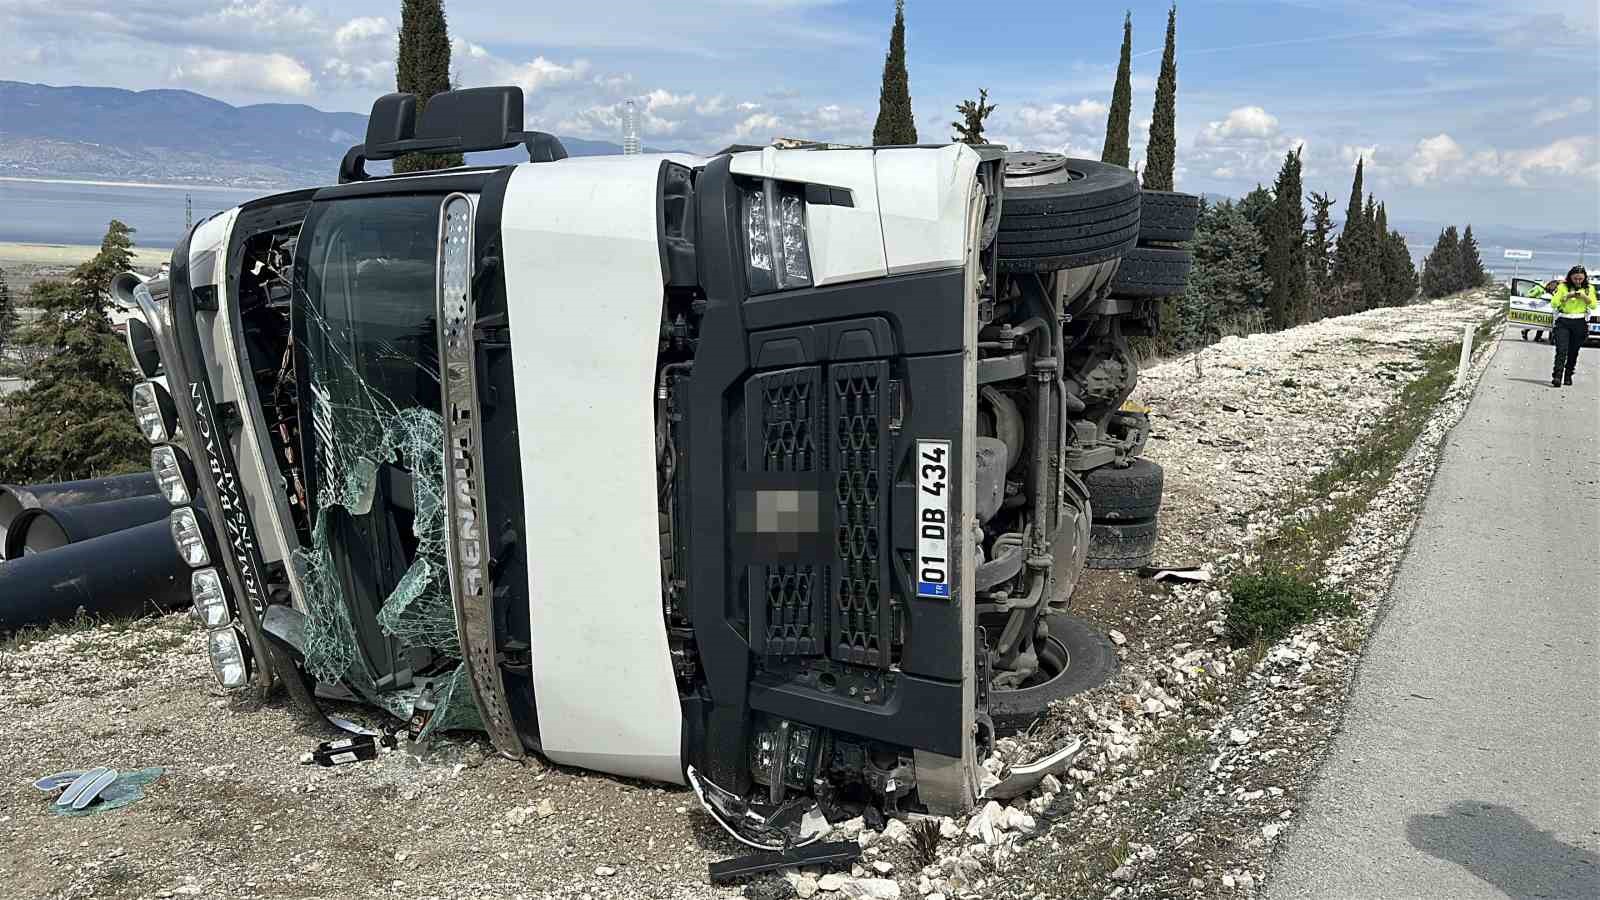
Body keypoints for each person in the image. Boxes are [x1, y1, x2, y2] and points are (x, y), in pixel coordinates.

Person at [1549, 265, 1597, 387]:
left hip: (1579, 322)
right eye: (1575, 278)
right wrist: (1566, 297)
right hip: (1564, 321)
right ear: (1570, 277)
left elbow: (1593, 305)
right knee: (1561, 349)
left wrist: (1584, 297)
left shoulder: (1589, 288)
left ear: (1584, 278)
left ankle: (1568, 374)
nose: (1578, 281)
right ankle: (1557, 375)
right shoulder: (1563, 287)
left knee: (1573, 351)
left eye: (1580, 279)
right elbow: (1554, 303)